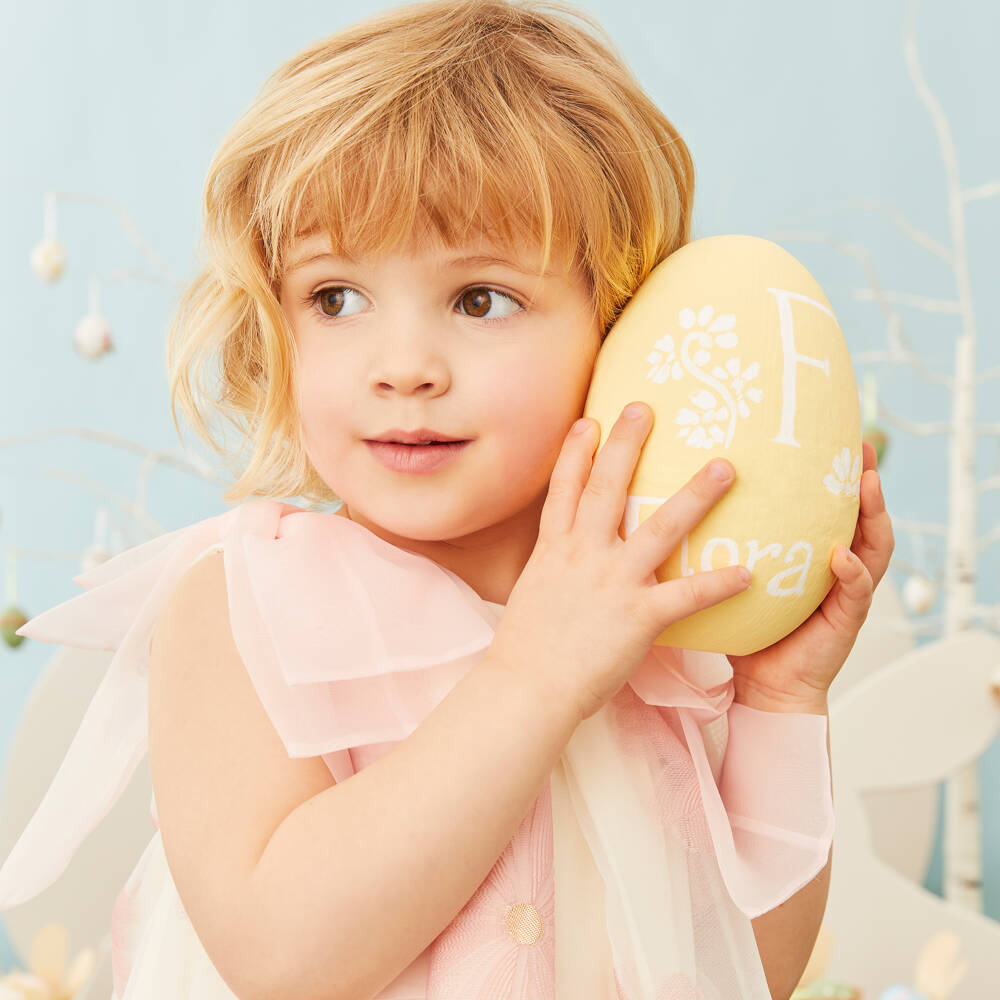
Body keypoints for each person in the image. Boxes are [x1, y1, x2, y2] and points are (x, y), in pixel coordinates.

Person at [0, 1, 894, 998]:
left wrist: (779, 702)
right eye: (335, 297)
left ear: (620, 328)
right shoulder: (243, 608)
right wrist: (532, 678)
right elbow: (283, 956)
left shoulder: (652, 638)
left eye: (480, 299)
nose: (404, 367)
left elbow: (748, 970)